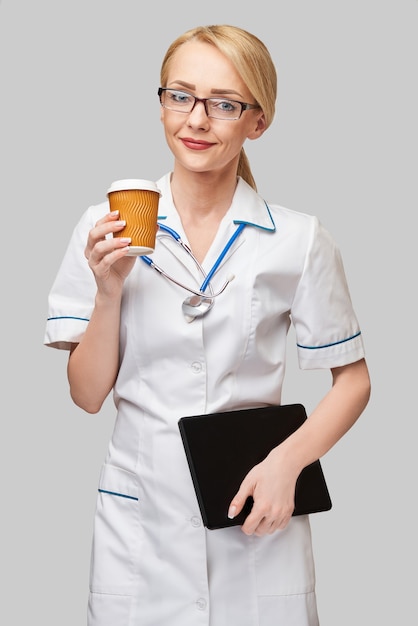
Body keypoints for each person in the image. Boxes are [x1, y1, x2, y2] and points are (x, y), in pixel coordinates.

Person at [44, 24, 371, 626]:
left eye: (223, 104)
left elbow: (353, 381)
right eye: (179, 95)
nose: (196, 120)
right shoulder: (105, 226)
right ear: (162, 101)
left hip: (254, 510)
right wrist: (109, 291)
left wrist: (286, 464)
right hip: (141, 522)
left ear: (258, 121)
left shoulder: (297, 240)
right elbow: (87, 396)